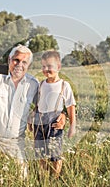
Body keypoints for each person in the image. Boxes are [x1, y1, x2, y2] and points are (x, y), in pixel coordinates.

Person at [0, 45, 66, 179]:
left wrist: (62, 114)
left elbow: (45, 105)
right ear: (9, 60)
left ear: (28, 66)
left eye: (24, 62)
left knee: (21, 178)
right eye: (16, 60)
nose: (19, 64)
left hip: (15, 140)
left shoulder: (33, 84)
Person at [29, 50, 76, 178]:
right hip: (39, 120)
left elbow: (70, 106)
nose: (46, 69)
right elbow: (39, 104)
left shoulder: (64, 85)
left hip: (54, 121)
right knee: (40, 151)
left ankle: (54, 178)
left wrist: (72, 126)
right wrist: (31, 117)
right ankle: (44, 176)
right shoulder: (41, 84)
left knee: (55, 152)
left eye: (49, 66)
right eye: (43, 66)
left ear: (58, 67)